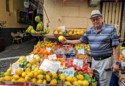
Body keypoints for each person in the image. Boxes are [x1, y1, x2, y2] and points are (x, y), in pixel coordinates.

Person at [63, 10, 120, 86]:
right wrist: (67, 41)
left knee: (104, 83)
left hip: (106, 61)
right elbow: (80, 40)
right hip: (94, 61)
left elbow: (116, 46)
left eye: (97, 19)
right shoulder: (89, 31)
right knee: (95, 81)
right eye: (93, 20)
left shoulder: (110, 29)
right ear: (91, 20)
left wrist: (116, 62)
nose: (95, 21)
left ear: (101, 18)